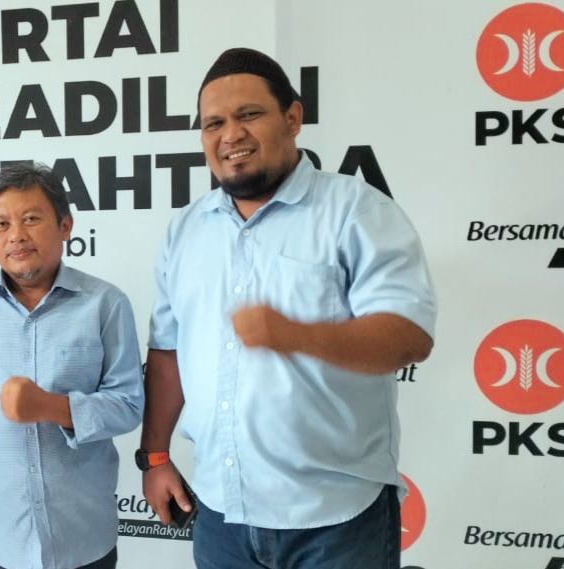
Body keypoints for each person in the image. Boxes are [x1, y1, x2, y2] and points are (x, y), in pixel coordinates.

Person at [139, 47, 437, 569]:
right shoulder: (185, 229)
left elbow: (408, 335)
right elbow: (167, 353)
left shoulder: (356, 211)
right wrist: (156, 456)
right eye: (213, 123)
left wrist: (298, 334)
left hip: (335, 519)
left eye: (249, 114)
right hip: (221, 512)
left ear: (293, 118)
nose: (231, 135)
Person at [0, 162, 144, 569]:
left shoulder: (106, 304)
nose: (16, 235)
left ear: (65, 225)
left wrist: (52, 408)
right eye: (1, 224)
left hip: (81, 533)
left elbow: (128, 405)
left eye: (31, 219)